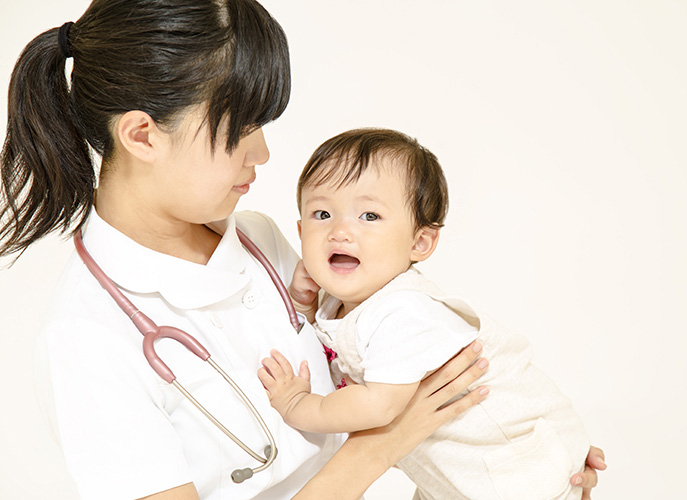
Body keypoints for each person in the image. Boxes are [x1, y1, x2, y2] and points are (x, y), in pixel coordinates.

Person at [0, 1, 604, 499]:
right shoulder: (84, 342)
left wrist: (523, 451)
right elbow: (394, 414)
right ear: (142, 134)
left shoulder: (260, 238)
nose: (261, 153)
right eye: (240, 128)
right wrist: (393, 433)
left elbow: (391, 359)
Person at [260, 128, 595, 499]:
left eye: (369, 215)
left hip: (512, 465)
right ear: (301, 230)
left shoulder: (405, 311)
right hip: (457, 472)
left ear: (419, 242)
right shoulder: (342, 301)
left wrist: (298, 405)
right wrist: (305, 305)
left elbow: (378, 406)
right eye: (322, 213)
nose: (340, 231)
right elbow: (329, 350)